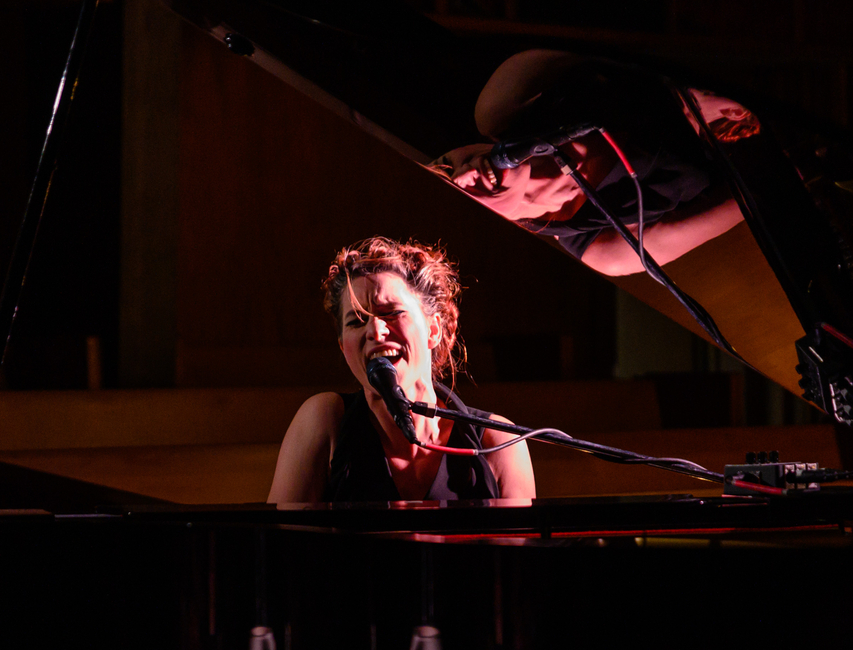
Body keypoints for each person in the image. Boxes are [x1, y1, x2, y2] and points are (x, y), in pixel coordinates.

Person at [437, 50, 758, 276]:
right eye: (458, 193)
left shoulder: (499, 109)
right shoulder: (603, 250)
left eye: (445, 165)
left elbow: (594, 36)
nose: (465, 174)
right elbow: (757, 196)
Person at [268, 237, 535, 503]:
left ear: (433, 330)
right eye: (356, 321)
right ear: (342, 346)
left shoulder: (499, 442)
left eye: (392, 313)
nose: (374, 331)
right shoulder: (325, 420)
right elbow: (275, 542)